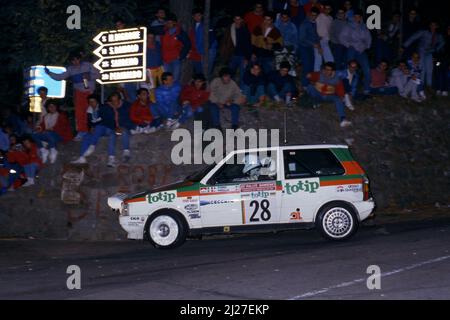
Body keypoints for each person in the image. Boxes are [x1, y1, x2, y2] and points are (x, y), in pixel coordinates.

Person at [44, 52, 99, 141]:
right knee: (79, 113)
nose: (75, 62)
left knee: (91, 111)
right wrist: (49, 73)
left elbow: (98, 75)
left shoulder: (88, 65)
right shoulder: (70, 69)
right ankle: (82, 131)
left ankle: (94, 130)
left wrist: (89, 76)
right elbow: (60, 77)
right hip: (78, 93)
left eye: (76, 59)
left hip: (89, 92)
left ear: (79, 58)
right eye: (73, 60)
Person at [306, 62, 351, 128]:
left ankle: (343, 119)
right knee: (310, 87)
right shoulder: (320, 74)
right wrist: (309, 76)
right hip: (318, 94)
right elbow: (311, 76)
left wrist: (341, 96)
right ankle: (315, 103)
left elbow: (340, 89)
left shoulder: (336, 79)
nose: (327, 71)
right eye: (326, 69)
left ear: (333, 71)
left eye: (329, 70)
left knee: (338, 99)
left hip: (328, 96)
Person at [402, 21, 445, 88]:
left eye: (434, 25)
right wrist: (404, 46)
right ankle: (420, 85)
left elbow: (442, 42)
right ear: (429, 26)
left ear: (437, 26)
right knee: (422, 68)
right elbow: (413, 37)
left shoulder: (438, 35)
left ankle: (429, 86)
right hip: (421, 51)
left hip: (430, 52)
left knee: (430, 69)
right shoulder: (424, 32)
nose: (432, 26)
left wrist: (436, 49)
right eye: (431, 25)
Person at [339, 9, 372, 95]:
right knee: (349, 68)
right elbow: (342, 37)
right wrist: (349, 45)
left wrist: (366, 46)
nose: (357, 18)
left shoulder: (364, 27)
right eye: (355, 17)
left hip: (361, 50)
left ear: (361, 18)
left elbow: (368, 38)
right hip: (352, 48)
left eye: (359, 17)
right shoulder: (348, 26)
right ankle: (346, 88)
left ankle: (366, 89)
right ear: (353, 17)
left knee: (367, 69)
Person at [32, 100, 73, 164]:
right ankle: (43, 151)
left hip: (60, 135)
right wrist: (39, 128)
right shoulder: (46, 116)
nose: (52, 108)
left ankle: (53, 150)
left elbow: (63, 127)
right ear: (47, 108)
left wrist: (52, 129)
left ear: (56, 107)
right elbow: (42, 126)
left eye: (53, 106)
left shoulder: (61, 115)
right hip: (48, 134)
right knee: (34, 134)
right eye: (50, 107)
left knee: (48, 133)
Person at [219, 14, 252, 84]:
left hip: (243, 56)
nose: (237, 21)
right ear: (233, 19)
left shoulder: (245, 30)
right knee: (229, 74)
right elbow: (225, 42)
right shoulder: (230, 29)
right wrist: (225, 54)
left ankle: (242, 92)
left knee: (243, 75)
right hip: (232, 55)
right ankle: (230, 90)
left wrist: (247, 58)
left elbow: (248, 44)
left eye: (239, 19)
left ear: (241, 20)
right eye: (236, 19)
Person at [160, 14, 191, 83]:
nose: (168, 24)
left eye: (170, 22)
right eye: (167, 22)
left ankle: (175, 93)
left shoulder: (179, 32)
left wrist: (181, 56)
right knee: (166, 79)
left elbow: (187, 44)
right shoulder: (163, 31)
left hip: (175, 59)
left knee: (175, 79)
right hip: (165, 59)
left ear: (174, 22)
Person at [187, 9, 218, 76]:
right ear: (193, 17)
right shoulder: (193, 26)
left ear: (202, 16)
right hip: (200, 51)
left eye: (199, 15)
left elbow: (212, 37)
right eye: (195, 16)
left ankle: (207, 84)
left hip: (209, 50)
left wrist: (207, 48)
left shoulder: (207, 24)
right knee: (202, 71)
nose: (197, 17)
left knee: (207, 70)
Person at [298, 7, 321, 87]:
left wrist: (319, 45)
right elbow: (301, 38)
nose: (313, 16)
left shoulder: (314, 23)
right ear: (309, 14)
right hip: (304, 47)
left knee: (311, 66)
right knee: (307, 66)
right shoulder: (304, 24)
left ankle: (308, 85)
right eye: (312, 15)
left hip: (311, 48)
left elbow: (315, 35)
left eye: (315, 15)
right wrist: (313, 44)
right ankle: (304, 85)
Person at [142, 31, 164, 103]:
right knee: (151, 88)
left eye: (152, 37)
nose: (150, 39)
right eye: (149, 37)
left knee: (164, 84)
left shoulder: (157, 44)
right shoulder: (142, 46)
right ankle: (153, 102)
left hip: (159, 67)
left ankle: (163, 99)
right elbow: (140, 59)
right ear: (146, 37)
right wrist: (144, 73)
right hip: (149, 70)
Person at [315, 3, 335, 70]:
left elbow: (330, 30)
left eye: (329, 8)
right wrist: (317, 40)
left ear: (331, 9)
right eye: (326, 8)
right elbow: (314, 29)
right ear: (323, 9)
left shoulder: (331, 18)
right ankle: (316, 77)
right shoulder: (319, 17)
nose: (327, 10)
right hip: (318, 41)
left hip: (326, 41)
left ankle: (329, 77)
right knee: (318, 60)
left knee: (330, 60)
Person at [434, 25, 450, 96]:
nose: (449, 30)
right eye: (448, 28)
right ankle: (438, 89)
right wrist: (435, 57)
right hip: (439, 60)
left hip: (447, 60)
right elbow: (437, 48)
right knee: (438, 72)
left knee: (445, 74)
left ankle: (445, 90)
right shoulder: (442, 37)